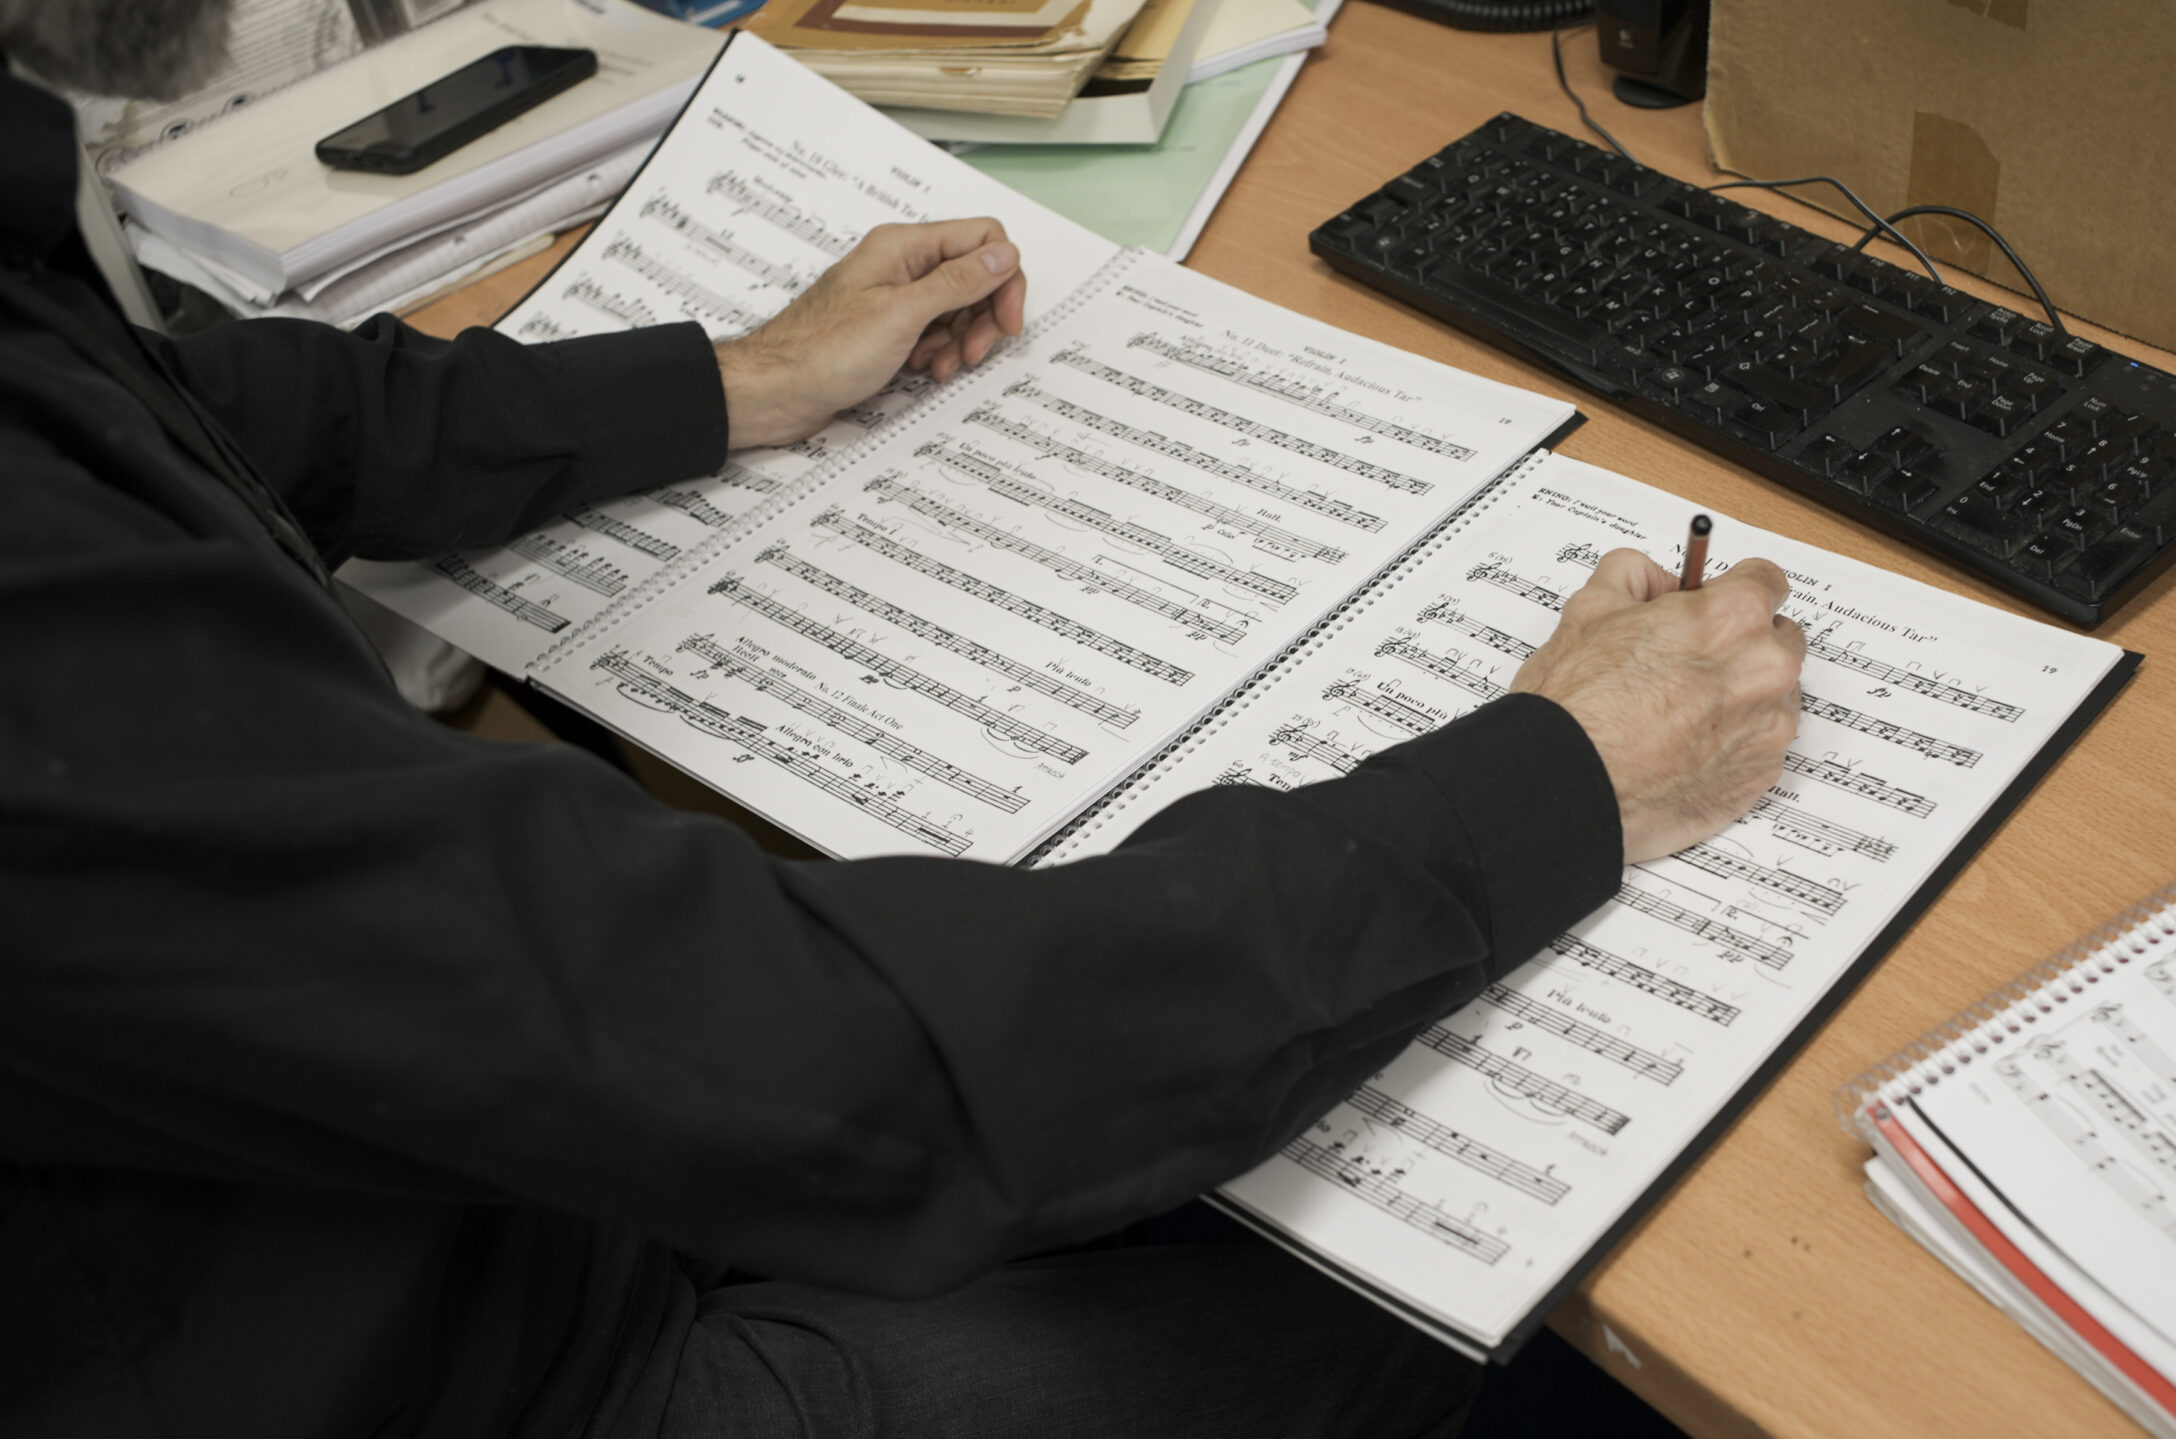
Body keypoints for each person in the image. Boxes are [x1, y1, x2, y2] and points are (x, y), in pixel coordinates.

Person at [0, 2, 1806, 1435]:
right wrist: (1549, 782)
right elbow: (832, 1061)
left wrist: (725, 380)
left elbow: (162, 398)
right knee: (1448, 1296)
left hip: (405, 1200)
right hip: (471, 1364)